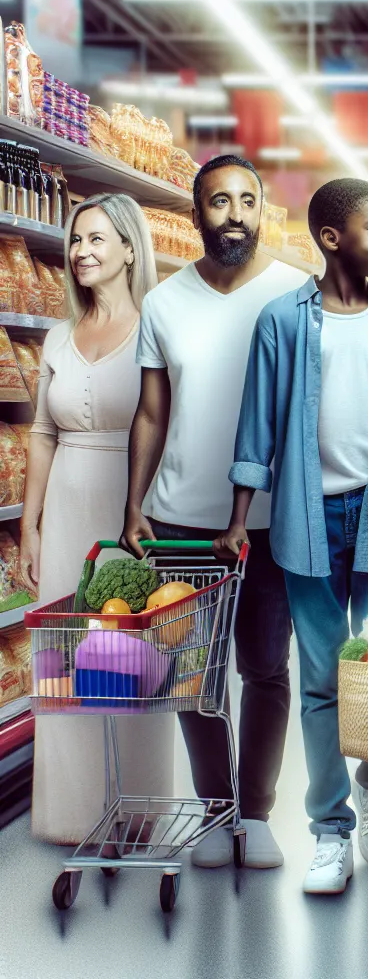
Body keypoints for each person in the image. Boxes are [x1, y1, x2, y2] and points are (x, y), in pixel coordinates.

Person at [216, 177, 368, 895]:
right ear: (331, 238)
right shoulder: (282, 324)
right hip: (304, 523)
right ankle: (329, 830)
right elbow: (255, 425)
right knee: (319, 679)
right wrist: (236, 518)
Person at [120, 154, 308, 869]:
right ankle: (213, 807)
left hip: (268, 520)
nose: (234, 214)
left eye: (247, 200)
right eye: (218, 202)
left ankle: (254, 814)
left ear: (261, 210)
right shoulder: (165, 302)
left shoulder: (297, 295)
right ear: (196, 214)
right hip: (178, 518)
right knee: (192, 671)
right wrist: (133, 504)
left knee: (265, 666)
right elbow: (150, 412)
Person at [23, 193, 173, 844]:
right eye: (75, 240)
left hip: (129, 509)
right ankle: (73, 813)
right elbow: (39, 435)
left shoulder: (155, 330)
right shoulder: (58, 336)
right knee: (63, 660)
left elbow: (169, 425)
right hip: (65, 506)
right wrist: (29, 525)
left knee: (134, 655)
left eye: (96, 239)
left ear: (129, 249)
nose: (81, 251)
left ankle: (138, 809)